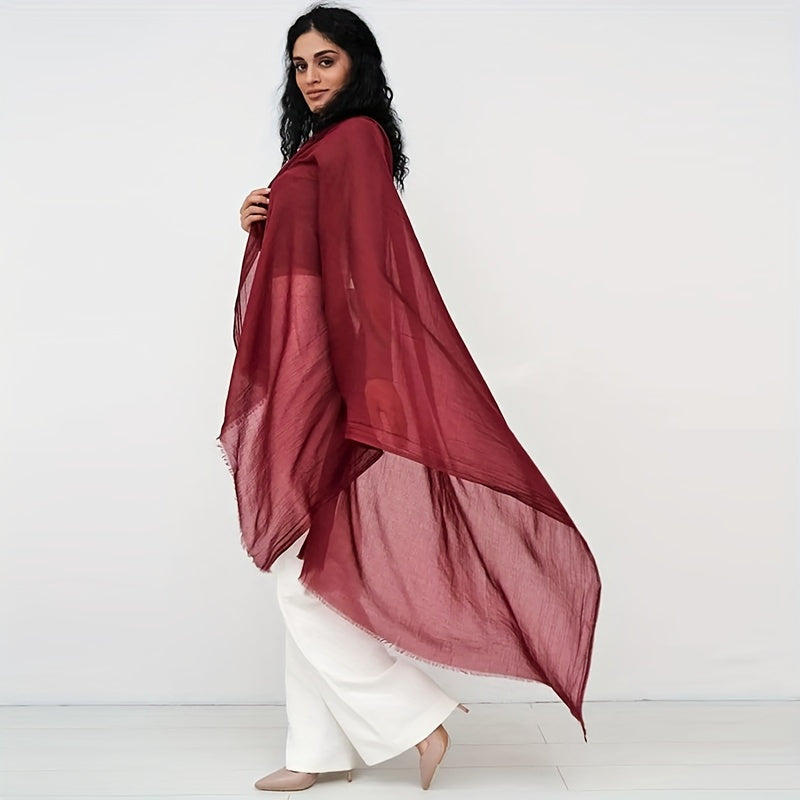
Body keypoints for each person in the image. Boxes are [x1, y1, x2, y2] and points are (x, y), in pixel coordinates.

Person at [221, 2, 601, 793]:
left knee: (300, 573)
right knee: (309, 566)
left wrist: (363, 386)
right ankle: (316, 752)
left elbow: (363, 270)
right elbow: (311, 262)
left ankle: (417, 716)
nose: (310, 77)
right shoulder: (320, 148)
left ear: (358, 64)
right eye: (300, 64)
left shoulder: (355, 139)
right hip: (318, 371)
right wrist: (261, 222)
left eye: (326, 60)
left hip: (334, 377)